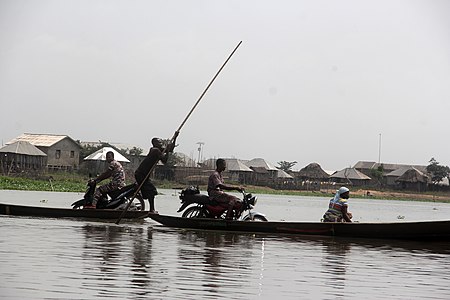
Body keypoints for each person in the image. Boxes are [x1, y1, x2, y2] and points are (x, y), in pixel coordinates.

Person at [134, 133, 178, 214]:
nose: (161, 144)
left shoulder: (158, 150)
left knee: (151, 191)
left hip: (144, 175)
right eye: (159, 142)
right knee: (151, 190)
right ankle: (151, 210)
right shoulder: (155, 150)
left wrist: (175, 137)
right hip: (141, 174)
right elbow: (164, 160)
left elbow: (171, 149)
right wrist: (167, 151)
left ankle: (151, 209)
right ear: (155, 143)